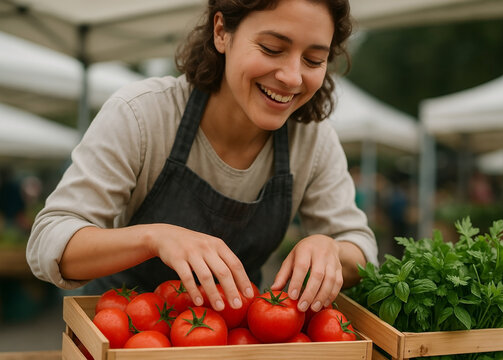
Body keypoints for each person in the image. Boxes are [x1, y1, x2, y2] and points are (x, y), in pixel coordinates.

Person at [27, 0, 378, 314]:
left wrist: (331, 248)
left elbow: (361, 251)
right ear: (222, 32)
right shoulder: (141, 115)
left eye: (313, 60)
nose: (291, 76)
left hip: (233, 339)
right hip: (126, 330)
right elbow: (50, 240)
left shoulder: (313, 142)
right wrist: (155, 238)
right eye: (272, 49)